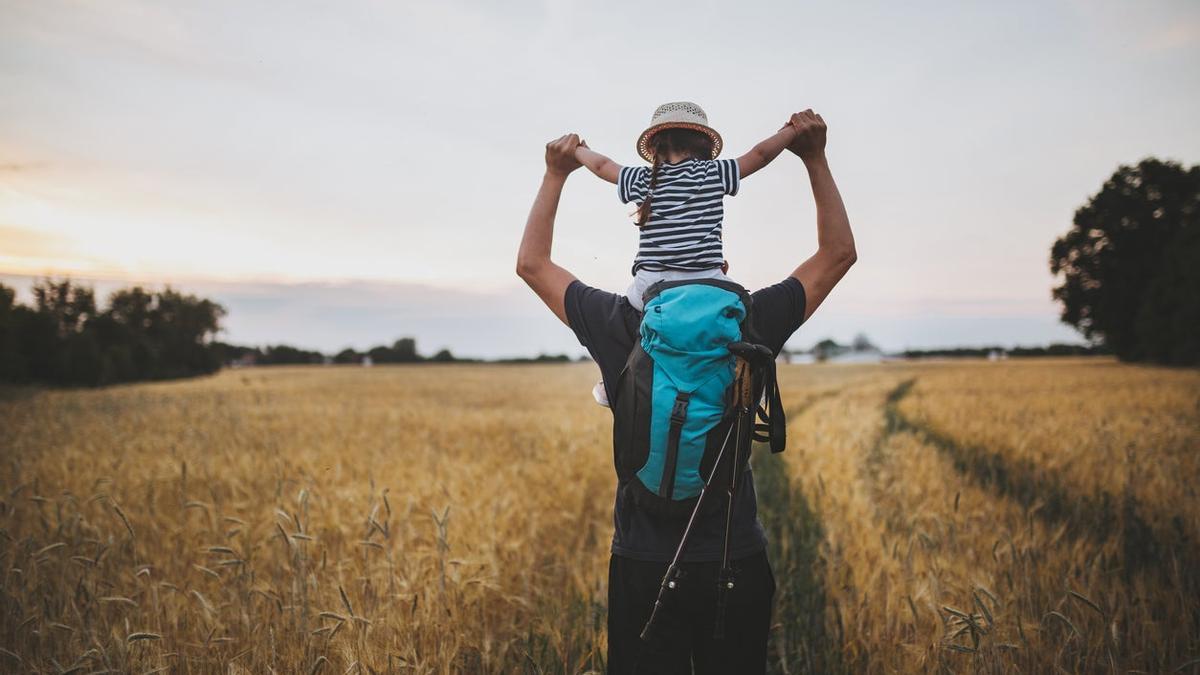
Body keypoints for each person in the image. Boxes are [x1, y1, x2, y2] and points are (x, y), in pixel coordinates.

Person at [516, 109, 855, 674]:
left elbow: (532, 264)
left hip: (644, 562)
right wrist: (813, 156)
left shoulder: (620, 321)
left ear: (646, 226)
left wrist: (557, 172)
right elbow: (838, 254)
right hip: (733, 556)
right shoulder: (747, 317)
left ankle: (610, 388)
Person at [574, 101, 799, 312]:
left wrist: (579, 150)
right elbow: (760, 155)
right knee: (738, 300)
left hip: (649, 289)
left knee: (634, 298)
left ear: (652, 148)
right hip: (706, 283)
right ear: (705, 145)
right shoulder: (715, 173)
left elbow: (602, 165)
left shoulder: (639, 178)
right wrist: (790, 131)